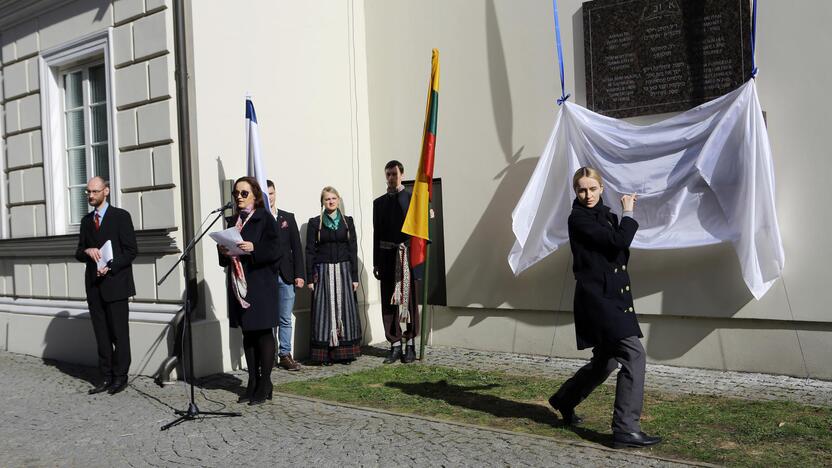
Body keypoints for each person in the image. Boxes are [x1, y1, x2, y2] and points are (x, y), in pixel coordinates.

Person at [548, 167, 661, 449]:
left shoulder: (606, 217)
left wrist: (620, 221)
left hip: (612, 297)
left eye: (592, 189)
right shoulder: (579, 219)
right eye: (581, 190)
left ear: (601, 188)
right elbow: (619, 243)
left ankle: (564, 399)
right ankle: (625, 429)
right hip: (598, 301)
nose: (587, 195)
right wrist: (629, 213)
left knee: (606, 361)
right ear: (576, 191)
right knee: (634, 356)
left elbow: (618, 253)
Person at [218, 176, 282, 405]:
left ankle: (266, 383)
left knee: (263, 333)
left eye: (244, 193)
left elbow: (276, 250)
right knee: (248, 334)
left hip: (261, 285)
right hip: (240, 286)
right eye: (236, 193)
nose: (239, 197)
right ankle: (252, 381)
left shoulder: (265, 218)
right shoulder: (233, 221)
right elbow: (225, 259)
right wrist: (224, 252)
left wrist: (255, 248)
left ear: (255, 196)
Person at [75, 176, 137, 396]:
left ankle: (121, 377)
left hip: (116, 285)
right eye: (88, 192)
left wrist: (111, 266)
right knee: (101, 334)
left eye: (95, 191)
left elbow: (131, 251)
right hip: (94, 286)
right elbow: (78, 252)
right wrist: (87, 251)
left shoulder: (120, 217)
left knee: (119, 334)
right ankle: (106, 376)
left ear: (106, 191)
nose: (91, 195)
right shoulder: (85, 221)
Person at [306, 186, 362, 365]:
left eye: (333, 198)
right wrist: (309, 278)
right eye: (326, 199)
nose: (330, 202)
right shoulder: (315, 223)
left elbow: (353, 249)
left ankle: (344, 353)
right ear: (322, 202)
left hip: (344, 270)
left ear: (338, 200)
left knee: (345, 310)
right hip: (323, 271)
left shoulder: (347, 222)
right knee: (325, 311)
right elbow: (309, 251)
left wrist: (354, 277)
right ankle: (325, 355)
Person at [372, 160, 419, 364]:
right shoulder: (379, 203)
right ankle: (394, 344)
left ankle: (410, 345)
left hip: (407, 256)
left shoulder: (411, 199)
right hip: (386, 257)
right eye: (388, 174)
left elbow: (419, 232)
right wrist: (376, 262)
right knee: (389, 301)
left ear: (402, 174)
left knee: (408, 300)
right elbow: (377, 234)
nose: (391, 178)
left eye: (394, 174)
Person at [267, 179, 304, 371]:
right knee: (268, 318)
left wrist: (300, 274)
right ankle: (269, 355)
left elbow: (296, 248)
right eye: (266, 194)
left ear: (276, 194)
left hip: (286, 275)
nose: (269, 197)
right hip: (266, 276)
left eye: (271, 193)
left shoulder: (287, 218)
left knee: (285, 318)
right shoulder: (258, 219)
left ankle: (285, 354)